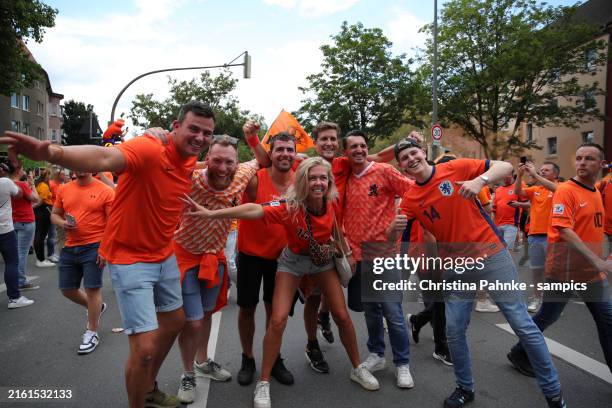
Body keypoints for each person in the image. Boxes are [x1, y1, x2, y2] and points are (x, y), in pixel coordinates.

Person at [0, 100, 215, 408]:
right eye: (194, 129)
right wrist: (52, 153)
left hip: (164, 255)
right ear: (176, 127)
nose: (200, 137)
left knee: (176, 319)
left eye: (207, 133)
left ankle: (148, 385)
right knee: (143, 351)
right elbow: (103, 156)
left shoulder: (190, 163)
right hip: (130, 259)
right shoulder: (150, 148)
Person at [183, 157, 380, 408]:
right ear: (303, 181)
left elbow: (335, 228)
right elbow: (254, 209)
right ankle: (263, 383)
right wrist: (212, 214)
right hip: (293, 262)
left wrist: (348, 252)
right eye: (312, 177)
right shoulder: (290, 205)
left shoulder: (332, 201)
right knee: (277, 319)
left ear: (329, 181)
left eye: (323, 178)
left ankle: (357, 367)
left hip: (323, 261)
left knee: (341, 315)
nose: (318, 183)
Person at [391, 138, 566, 408]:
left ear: (423, 153)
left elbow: (505, 166)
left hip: (492, 255)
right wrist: (395, 226)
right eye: (404, 158)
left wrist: (480, 180)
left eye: (414, 152)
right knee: (454, 330)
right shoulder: (411, 199)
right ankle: (464, 388)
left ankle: (554, 394)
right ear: (401, 167)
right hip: (456, 268)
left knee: (522, 325)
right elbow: (398, 237)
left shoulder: (456, 168)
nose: (411, 159)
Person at [507, 143, 612, 379]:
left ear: (601, 165)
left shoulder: (595, 191)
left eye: (589, 159)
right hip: (563, 271)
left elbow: (600, 229)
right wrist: (597, 260)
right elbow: (564, 229)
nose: (582, 162)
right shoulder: (565, 190)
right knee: (548, 316)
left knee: (608, 323)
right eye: (579, 158)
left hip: (592, 274)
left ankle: (519, 352)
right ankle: (519, 352)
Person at [173, 132, 260, 404]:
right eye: (217, 161)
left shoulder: (242, 174)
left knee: (207, 314)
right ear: (206, 158)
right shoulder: (191, 178)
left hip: (215, 258)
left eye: (229, 162)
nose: (223, 168)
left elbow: (261, 160)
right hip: (185, 257)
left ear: (237, 162)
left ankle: (202, 362)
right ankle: (187, 373)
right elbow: (164, 163)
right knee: (193, 320)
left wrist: (299, 157)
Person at [341, 130, 415, 389]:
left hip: (385, 255)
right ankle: (377, 354)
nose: (359, 150)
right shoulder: (346, 177)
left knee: (393, 313)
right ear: (346, 152)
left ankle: (403, 364)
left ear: (367, 147)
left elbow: (413, 191)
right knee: (371, 311)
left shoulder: (383, 171)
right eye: (353, 147)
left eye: (362, 146)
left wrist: (399, 218)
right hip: (359, 256)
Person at [235, 131, 296, 387]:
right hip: (250, 255)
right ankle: (247, 358)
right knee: (247, 309)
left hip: (283, 260)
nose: (284, 154)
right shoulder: (254, 179)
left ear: (295, 153)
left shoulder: (300, 180)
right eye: (279, 149)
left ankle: (275, 358)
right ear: (270, 153)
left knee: (276, 315)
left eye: (289, 150)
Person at [51, 171, 114, 354]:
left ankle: (92, 331)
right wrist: (62, 223)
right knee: (67, 289)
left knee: (92, 289)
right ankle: (97, 307)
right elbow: (54, 214)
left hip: (94, 246)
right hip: (70, 246)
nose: (80, 166)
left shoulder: (104, 190)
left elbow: (112, 223)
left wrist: (105, 249)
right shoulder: (64, 189)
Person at [514, 161, 559, 312]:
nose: (542, 171)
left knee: (553, 272)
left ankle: (552, 302)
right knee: (537, 270)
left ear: (555, 174)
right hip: (534, 235)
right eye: (541, 170)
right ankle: (537, 298)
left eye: (546, 170)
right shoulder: (536, 189)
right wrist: (519, 176)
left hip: (553, 236)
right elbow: (519, 192)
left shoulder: (561, 187)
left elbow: (556, 189)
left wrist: (534, 174)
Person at [1, 161, 33, 309]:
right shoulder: (5, 182)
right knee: (11, 262)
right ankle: (14, 298)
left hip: (10, 226)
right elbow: (19, 194)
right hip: (5, 230)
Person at [9, 161, 40, 291]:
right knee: (22, 252)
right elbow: (35, 198)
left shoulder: (5, 183)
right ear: (18, 170)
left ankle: (15, 279)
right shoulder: (21, 184)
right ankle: (21, 281)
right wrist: (32, 183)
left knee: (14, 253)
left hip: (12, 220)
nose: (24, 171)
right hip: (26, 220)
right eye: (22, 169)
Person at [33, 169, 55, 267]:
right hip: (44, 211)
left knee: (39, 234)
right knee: (40, 235)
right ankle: (40, 259)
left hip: (40, 211)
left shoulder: (37, 184)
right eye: (50, 176)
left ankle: (40, 258)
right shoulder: (44, 186)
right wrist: (32, 207)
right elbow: (40, 201)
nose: (51, 178)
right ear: (47, 176)